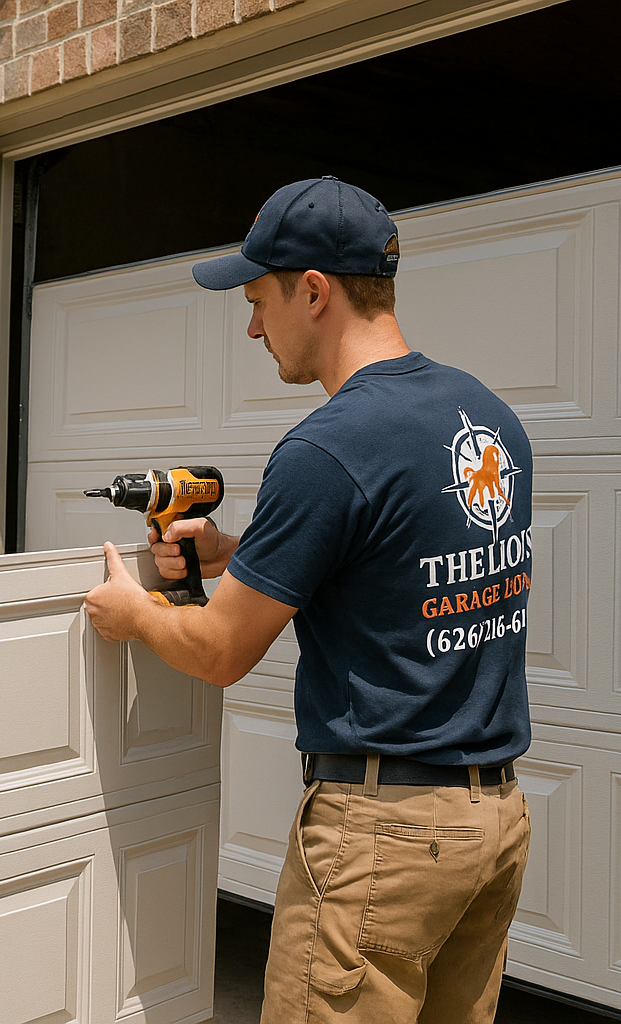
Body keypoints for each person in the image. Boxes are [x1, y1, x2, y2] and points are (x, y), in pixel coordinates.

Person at [85, 177, 532, 1023]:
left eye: (259, 300)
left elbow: (220, 652)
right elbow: (397, 562)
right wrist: (228, 552)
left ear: (315, 292)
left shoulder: (328, 448)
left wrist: (132, 612)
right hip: (493, 828)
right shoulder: (489, 417)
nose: (253, 327)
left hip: (383, 843)